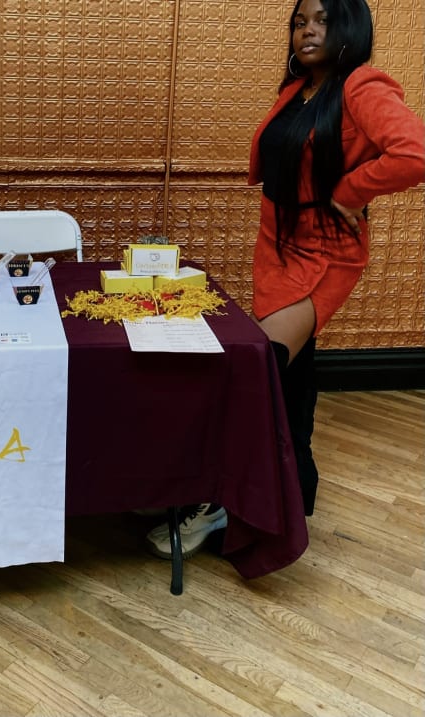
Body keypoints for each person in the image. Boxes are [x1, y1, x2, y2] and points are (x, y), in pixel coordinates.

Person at [146, 0, 425, 561]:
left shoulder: (361, 86)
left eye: (322, 20)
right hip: (275, 246)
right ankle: (292, 488)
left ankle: (223, 500)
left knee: (259, 368)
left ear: (349, 27)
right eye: (299, 22)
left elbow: (415, 153)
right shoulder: (299, 89)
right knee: (292, 377)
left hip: (324, 254)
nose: (307, 31)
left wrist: (351, 191)